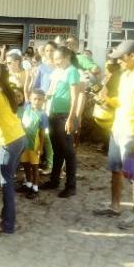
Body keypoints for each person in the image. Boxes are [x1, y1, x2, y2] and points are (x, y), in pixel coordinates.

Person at [94, 40, 134, 229]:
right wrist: (107, 100)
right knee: (115, 170)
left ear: (132, 56)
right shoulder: (125, 75)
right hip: (118, 128)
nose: (118, 62)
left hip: (132, 132)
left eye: (121, 58)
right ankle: (115, 207)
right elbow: (123, 102)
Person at [0, 63, 26, 235]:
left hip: (8, 141)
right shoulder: (8, 92)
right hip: (19, 137)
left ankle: (8, 224)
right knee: (8, 179)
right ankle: (5, 217)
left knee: (6, 183)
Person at [40, 46, 81, 198]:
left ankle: (71, 186)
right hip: (52, 114)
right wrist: (43, 102)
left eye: (58, 59)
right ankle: (54, 180)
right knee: (57, 149)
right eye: (54, 59)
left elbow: (75, 97)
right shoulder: (57, 72)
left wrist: (71, 118)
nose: (56, 62)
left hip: (64, 116)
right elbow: (51, 90)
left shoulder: (72, 72)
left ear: (67, 57)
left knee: (68, 152)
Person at [16, 89, 48, 199]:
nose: (37, 101)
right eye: (35, 99)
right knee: (25, 163)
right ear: (30, 99)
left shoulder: (43, 115)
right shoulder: (26, 108)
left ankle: (35, 187)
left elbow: (42, 133)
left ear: (44, 101)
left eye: (40, 99)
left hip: (35, 144)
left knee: (34, 166)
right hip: (24, 142)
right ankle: (28, 183)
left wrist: (41, 146)